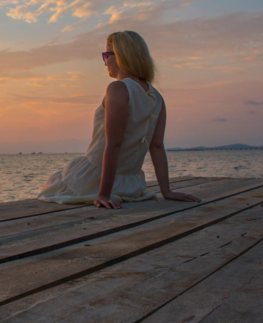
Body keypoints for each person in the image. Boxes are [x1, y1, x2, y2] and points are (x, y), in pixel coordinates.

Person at [38, 30, 201, 209]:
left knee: (54, 183)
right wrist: (167, 191)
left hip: (95, 181)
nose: (105, 62)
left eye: (106, 55)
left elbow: (113, 144)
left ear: (122, 56)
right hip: (131, 185)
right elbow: (157, 146)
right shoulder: (157, 97)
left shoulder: (118, 89)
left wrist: (103, 195)